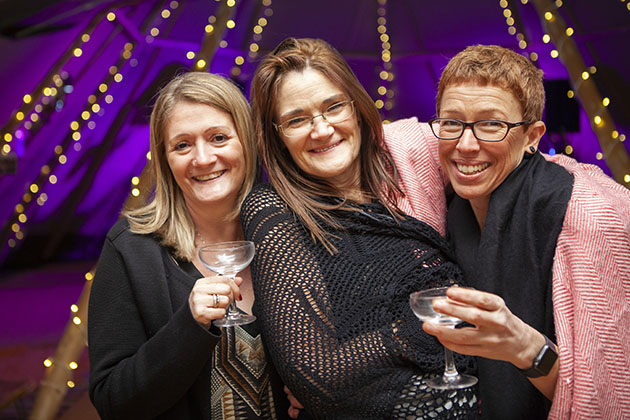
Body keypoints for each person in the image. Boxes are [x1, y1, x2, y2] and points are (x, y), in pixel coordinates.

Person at [241, 37, 479, 419]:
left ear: (355, 108)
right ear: (278, 136)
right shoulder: (273, 211)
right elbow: (318, 376)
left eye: (333, 107)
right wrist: (424, 328)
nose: (321, 130)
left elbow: (492, 155)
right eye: (297, 119)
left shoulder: (402, 182)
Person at [417, 45, 630, 419]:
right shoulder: (445, 206)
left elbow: (611, 397)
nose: (466, 145)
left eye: (491, 125)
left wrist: (526, 349)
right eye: (452, 123)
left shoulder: (587, 218)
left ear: (532, 136)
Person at [87, 72, 292, 419]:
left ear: (247, 141)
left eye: (218, 138)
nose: (202, 158)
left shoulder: (288, 230)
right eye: (182, 145)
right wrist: (189, 327)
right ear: (165, 158)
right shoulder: (131, 250)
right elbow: (113, 402)